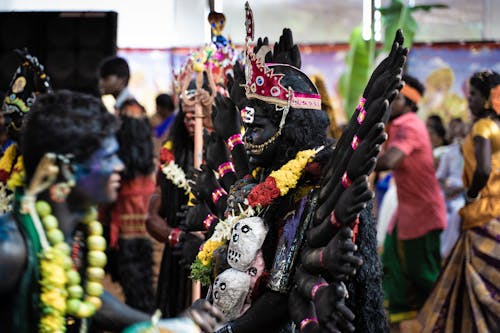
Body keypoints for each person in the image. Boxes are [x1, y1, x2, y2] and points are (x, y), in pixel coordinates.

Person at [192, 18, 407, 332]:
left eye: (257, 128)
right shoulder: (264, 175)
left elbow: (280, 298)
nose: (247, 137)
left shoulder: (310, 186)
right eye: (245, 127)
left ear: (288, 128)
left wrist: (225, 331)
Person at [0, 90, 224, 333]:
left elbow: (86, 299)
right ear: (63, 169)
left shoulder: (69, 232)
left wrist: (163, 325)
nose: (119, 165)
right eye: (107, 157)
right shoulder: (9, 249)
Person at [411, 70, 500, 332]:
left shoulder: (483, 127)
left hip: (483, 209)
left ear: (486, 99)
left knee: (480, 281)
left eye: (473, 94)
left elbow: (483, 169)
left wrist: (471, 194)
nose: (468, 99)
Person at [376, 74, 447, 326]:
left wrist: (351, 157)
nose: (389, 101)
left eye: (394, 97)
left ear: (407, 102)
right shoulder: (397, 124)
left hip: (423, 216)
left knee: (424, 275)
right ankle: (401, 323)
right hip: (405, 215)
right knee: (393, 270)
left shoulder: (410, 124)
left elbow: (389, 161)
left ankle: (446, 318)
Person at [99, 99, 156, 313]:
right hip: (145, 233)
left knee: (134, 288)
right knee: (144, 288)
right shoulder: (151, 163)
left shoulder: (117, 163)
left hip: (124, 233)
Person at [0, 50, 52, 212]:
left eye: (19, 120)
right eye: (12, 120)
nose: (13, 126)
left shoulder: (45, 158)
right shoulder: (12, 153)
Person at [436, 117, 466, 258]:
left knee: (456, 213)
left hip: (462, 194)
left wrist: (459, 190)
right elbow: (440, 177)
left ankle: (447, 254)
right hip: (447, 192)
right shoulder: (450, 152)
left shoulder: (475, 155)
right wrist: (446, 190)